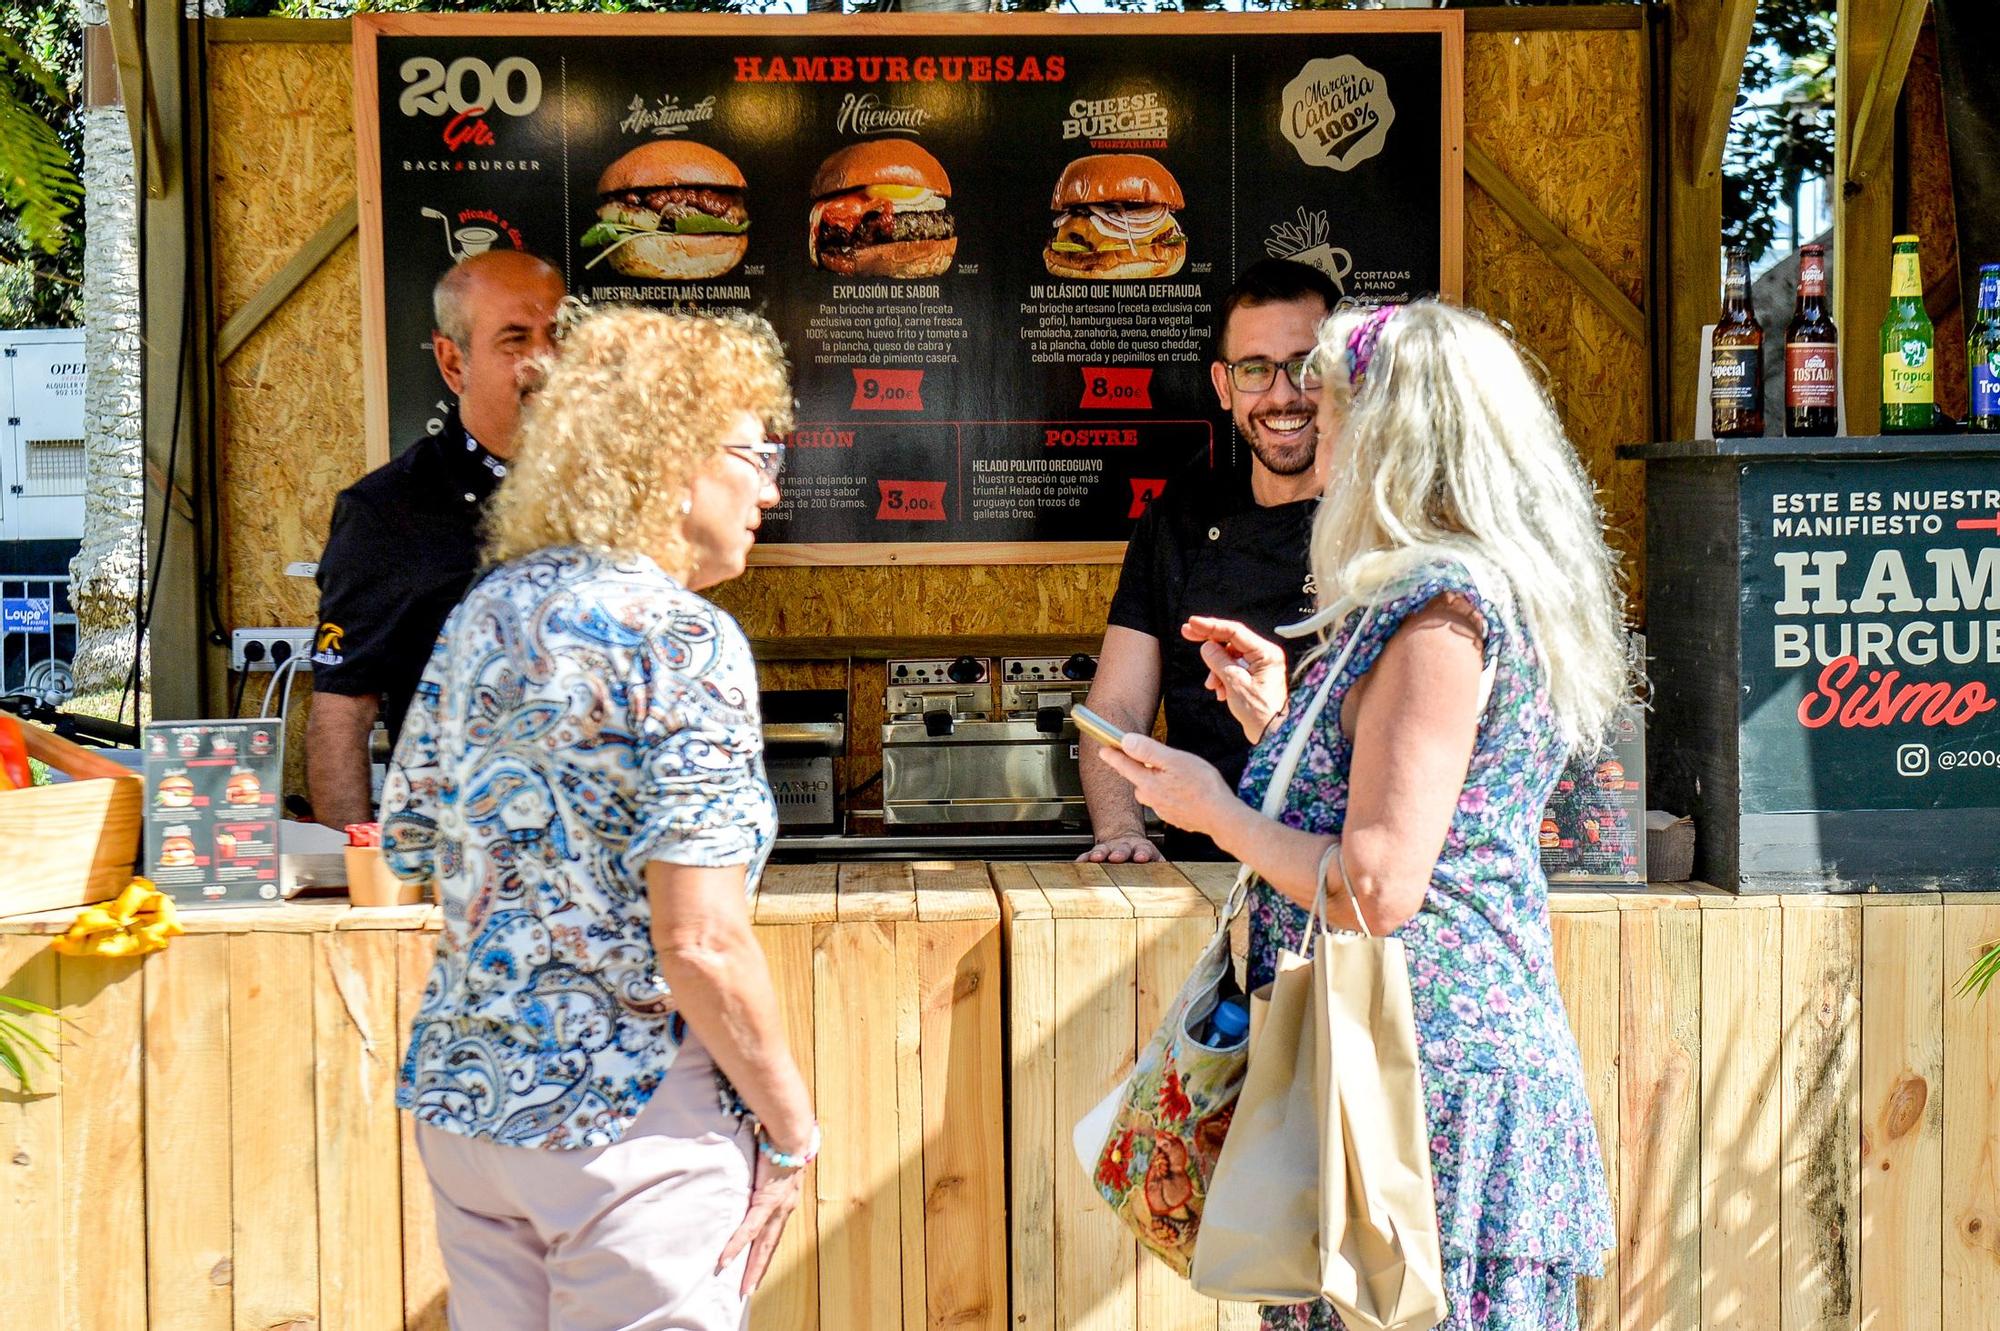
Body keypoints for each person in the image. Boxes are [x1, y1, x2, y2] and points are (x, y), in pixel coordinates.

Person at [1098, 301, 1626, 1330]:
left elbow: (1379, 882)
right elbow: (1397, 800)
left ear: (1392, 435)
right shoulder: (1438, 595)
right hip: (1381, 1065)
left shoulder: (1439, 612)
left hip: (1421, 1080)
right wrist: (1285, 723)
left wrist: (1213, 810)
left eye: (1334, 406)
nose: (1314, 425)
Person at [378, 307, 814, 1331]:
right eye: (753, 452)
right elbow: (699, 939)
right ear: (669, 459)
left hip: (472, 1110)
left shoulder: (484, 611)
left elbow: (405, 839)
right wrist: (790, 1129)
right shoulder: (682, 638)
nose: (770, 485)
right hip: (626, 1118)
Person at [1079, 258, 1339, 864]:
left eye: (1307, 366)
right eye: (1256, 370)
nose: (1284, 395)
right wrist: (1122, 831)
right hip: (1201, 881)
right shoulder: (1179, 519)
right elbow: (1113, 710)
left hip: (1338, 880)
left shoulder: (1384, 529)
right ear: (1224, 386)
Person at [309, 248, 567, 830]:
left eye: (557, 334)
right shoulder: (384, 513)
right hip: (456, 870)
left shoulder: (620, 490)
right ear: (453, 363)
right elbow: (341, 714)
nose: (546, 359)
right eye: (515, 339)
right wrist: (360, 892)